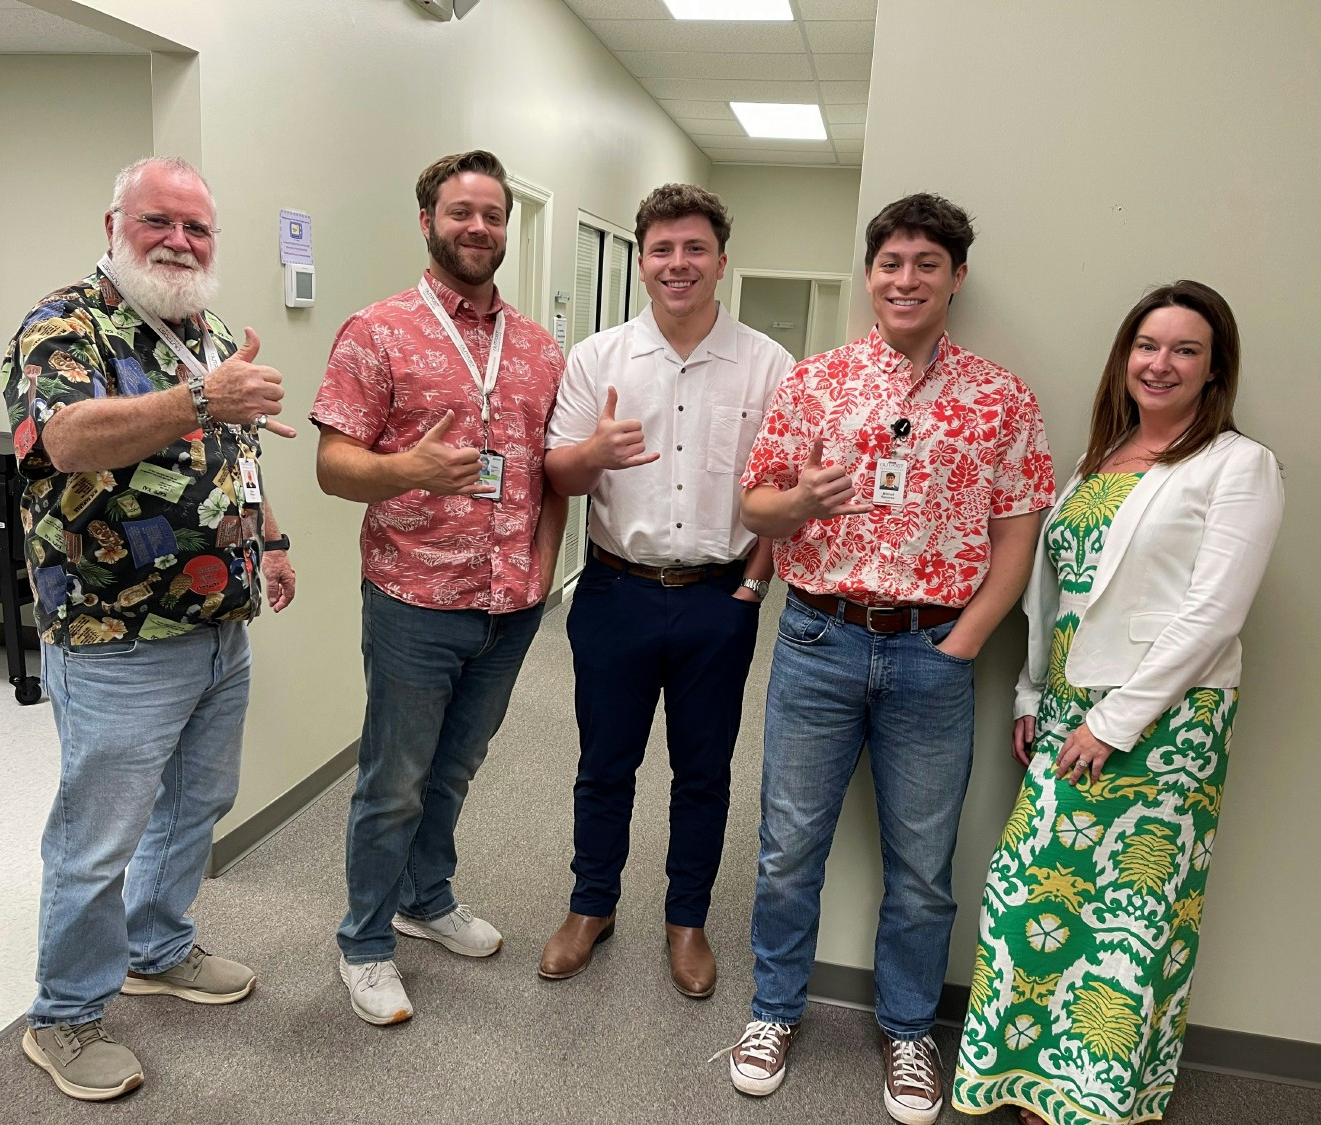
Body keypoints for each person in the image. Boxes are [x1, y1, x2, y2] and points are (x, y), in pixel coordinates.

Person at [718, 193, 1055, 1122]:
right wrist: (800, 505)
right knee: (789, 849)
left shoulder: (1002, 398)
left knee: (923, 863)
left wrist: (966, 643)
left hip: (933, 655)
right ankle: (773, 1010)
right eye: (891, 263)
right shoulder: (816, 381)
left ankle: (910, 1029)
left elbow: (1017, 538)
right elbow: (757, 508)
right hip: (819, 638)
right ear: (871, 274)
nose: (905, 280)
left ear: (955, 277)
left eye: (926, 265)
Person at [951, 282, 1284, 1125]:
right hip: (1068, 709)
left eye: (1184, 349)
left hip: (1165, 727)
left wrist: (1114, 720)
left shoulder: (1237, 465)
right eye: (1147, 344)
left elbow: (1214, 613)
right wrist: (1035, 692)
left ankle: (1089, 1098)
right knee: (1035, 897)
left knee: (1128, 917)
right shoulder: (1099, 459)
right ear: (1124, 357)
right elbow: (1056, 593)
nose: (1160, 362)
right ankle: (1031, 1077)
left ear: (1215, 370)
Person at [2, 155, 298, 1101]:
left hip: (218, 622)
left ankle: (157, 945)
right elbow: (66, 440)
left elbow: (233, 449)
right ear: (115, 223)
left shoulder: (204, 329)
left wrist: (275, 537)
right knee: (99, 835)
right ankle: (63, 1015)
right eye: (159, 222)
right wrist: (202, 399)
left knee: (197, 805)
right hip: (114, 632)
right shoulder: (63, 325)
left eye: (197, 228)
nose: (179, 241)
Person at [311, 149, 565, 1026]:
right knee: (395, 779)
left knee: (455, 769)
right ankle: (365, 941)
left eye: (492, 214)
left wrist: (539, 571)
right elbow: (332, 466)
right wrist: (405, 467)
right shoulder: (377, 331)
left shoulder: (538, 348)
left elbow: (547, 475)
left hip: (509, 604)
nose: (478, 228)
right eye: (461, 212)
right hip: (415, 600)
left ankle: (427, 897)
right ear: (428, 221)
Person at [539, 184, 791, 997]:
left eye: (694, 249)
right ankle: (591, 905)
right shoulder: (598, 358)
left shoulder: (768, 365)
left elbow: (782, 494)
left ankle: (687, 920)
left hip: (722, 599)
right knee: (604, 761)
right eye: (662, 249)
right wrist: (594, 454)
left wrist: (753, 587)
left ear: (721, 260)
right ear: (643, 260)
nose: (677, 264)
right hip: (616, 592)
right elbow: (557, 471)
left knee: (704, 769)